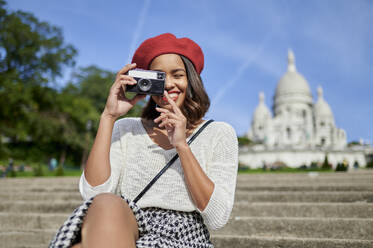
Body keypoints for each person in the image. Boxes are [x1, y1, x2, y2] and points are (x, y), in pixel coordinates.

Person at [49, 33, 238, 248]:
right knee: (105, 203)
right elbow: (94, 194)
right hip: (127, 223)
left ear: (191, 80)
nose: (168, 84)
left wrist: (181, 146)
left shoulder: (219, 133)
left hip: (183, 235)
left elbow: (217, 217)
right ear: (144, 83)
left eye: (177, 75)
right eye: (158, 77)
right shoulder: (126, 129)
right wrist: (108, 116)